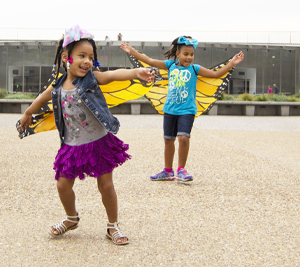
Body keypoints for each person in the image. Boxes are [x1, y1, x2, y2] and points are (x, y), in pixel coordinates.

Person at [20, 25, 154, 245]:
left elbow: (111, 75)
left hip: (98, 142)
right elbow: (42, 98)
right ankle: (71, 218)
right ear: (66, 58)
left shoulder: (91, 79)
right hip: (72, 145)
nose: (87, 61)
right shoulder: (58, 85)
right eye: (81, 56)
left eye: (91, 57)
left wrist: (135, 72)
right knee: (63, 185)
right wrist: (27, 113)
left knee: (106, 186)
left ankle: (113, 226)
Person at [121, 36, 244, 182]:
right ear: (177, 54)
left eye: (191, 54)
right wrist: (131, 51)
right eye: (186, 54)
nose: (189, 57)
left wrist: (232, 63)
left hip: (188, 110)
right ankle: (167, 171)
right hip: (170, 109)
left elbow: (216, 74)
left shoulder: (195, 68)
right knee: (168, 140)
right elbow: (150, 61)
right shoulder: (170, 65)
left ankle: (181, 170)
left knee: (183, 138)